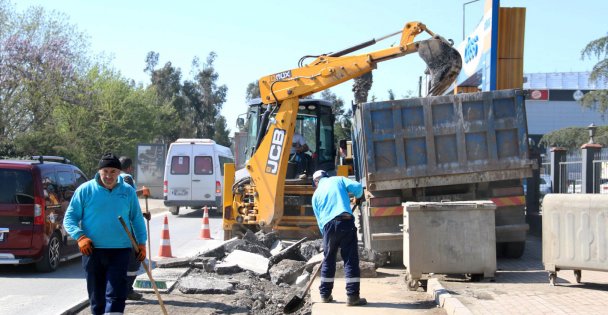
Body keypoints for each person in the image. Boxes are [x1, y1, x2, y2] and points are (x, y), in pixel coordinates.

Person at [64, 153, 147, 315]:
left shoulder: (128, 191)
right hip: (92, 251)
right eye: (105, 171)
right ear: (99, 171)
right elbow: (69, 219)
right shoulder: (85, 190)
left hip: (120, 250)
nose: (109, 176)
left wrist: (142, 243)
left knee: (116, 294)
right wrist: (80, 237)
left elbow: (136, 219)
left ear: (119, 172)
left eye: (113, 172)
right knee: (97, 298)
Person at [311, 170, 367, 307]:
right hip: (345, 222)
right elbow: (358, 188)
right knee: (350, 259)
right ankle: (352, 296)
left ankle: (325, 295)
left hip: (328, 228)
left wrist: (327, 238)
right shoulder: (338, 180)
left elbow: (320, 222)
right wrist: (358, 196)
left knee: (328, 260)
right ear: (326, 176)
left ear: (315, 182)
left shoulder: (315, 195)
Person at [119, 156, 150, 301]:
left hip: (117, 225)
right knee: (135, 260)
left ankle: (121, 289)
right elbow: (129, 201)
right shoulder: (127, 178)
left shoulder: (113, 179)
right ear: (130, 167)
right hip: (128, 227)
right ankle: (127, 290)